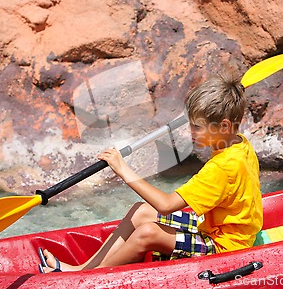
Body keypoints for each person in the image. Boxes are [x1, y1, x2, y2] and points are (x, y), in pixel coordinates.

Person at [38, 72, 263, 272]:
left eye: (197, 126)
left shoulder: (223, 167)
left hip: (225, 246)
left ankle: (86, 279)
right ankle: (82, 269)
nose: (190, 131)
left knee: (147, 233)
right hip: (218, 227)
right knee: (141, 211)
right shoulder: (238, 142)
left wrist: (124, 170)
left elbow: (166, 205)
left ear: (224, 126)